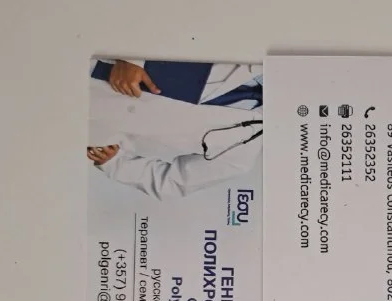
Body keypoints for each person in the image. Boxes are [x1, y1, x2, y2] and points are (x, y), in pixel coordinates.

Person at [87, 59, 263, 200]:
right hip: (95, 63)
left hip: (98, 122)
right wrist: (130, 58)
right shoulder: (253, 56)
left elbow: (173, 183)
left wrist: (116, 162)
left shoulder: (244, 153)